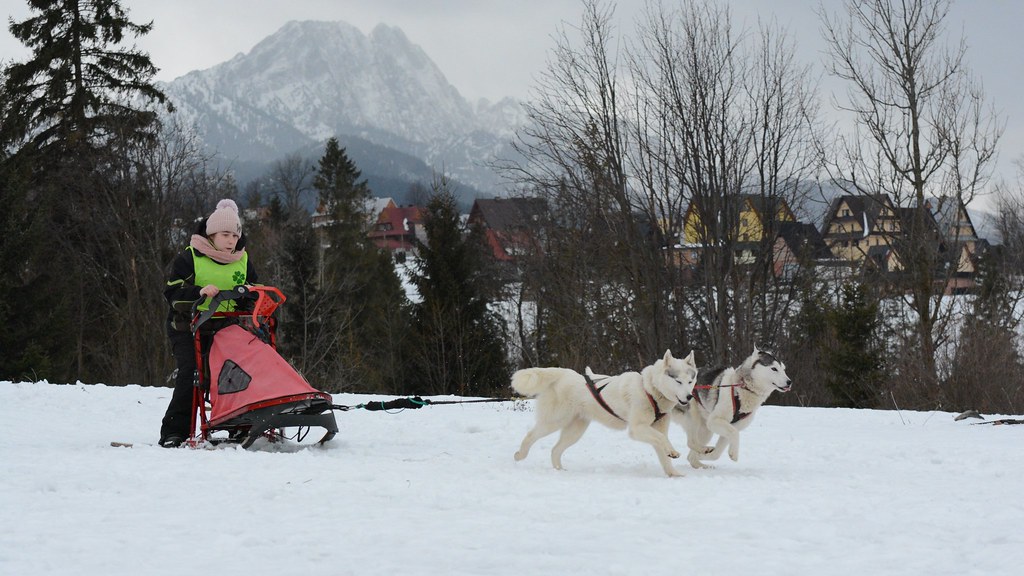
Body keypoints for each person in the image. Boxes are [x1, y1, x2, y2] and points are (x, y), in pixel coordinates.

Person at [160, 199, 258, 447]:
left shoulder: (243, 260)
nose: (231, 240)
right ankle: (174, 432)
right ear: (212, 234)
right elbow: (172, 294)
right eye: (225, 234)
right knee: (191, 373)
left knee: (237, 372)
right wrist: (199, 292)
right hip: (188, 326)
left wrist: (249, 294)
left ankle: (237, 424)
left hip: (226, 327)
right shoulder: (190, 257)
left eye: (235, 235)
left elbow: (255, 293)